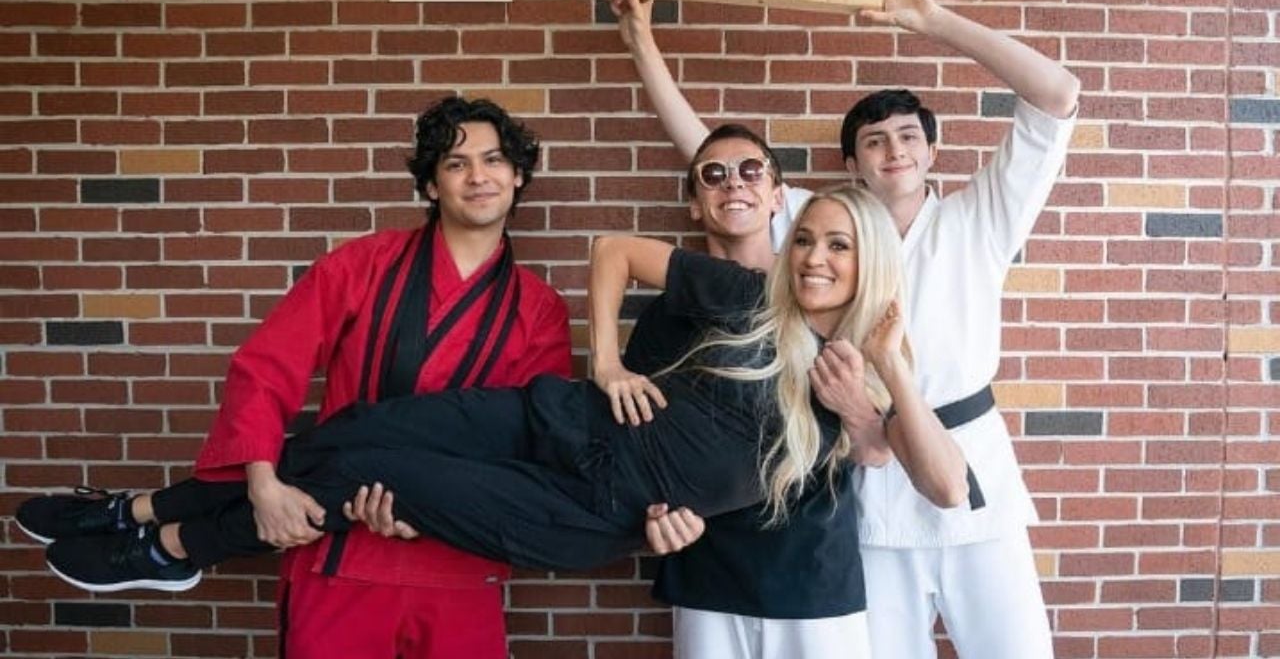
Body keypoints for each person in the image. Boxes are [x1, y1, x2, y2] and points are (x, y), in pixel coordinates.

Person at [23, 188, 958, 659]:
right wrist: (605, 361)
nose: (816, 257)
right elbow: (613, 251)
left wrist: (885, 371)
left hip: (584, 509)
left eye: (840, 245)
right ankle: (138, 511)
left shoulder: (862, 385)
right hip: (560, 416)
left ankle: (174, 545)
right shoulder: (749, 300)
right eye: (808, 239)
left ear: (871, 261)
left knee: (354, 480)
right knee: (349, 431)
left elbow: (940, 481)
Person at [614, 0, 1080, 659]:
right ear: (850, 164)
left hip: (968, 464)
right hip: (867, 483)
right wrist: (642, 45)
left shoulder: (982, 216)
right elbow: (718, 163)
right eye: (874, 140)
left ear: (933, 149)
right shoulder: (825, 223)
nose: (895, 150)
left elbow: (1059, 95)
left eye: (909, 136)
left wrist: (933, 21)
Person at [18, 96, 574, 659]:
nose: (478, 176)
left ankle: (155, 530)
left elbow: (537, 444)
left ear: (517, 175)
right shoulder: (364, 265)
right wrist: (262, 486)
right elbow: (268, 366)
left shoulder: (540, 309)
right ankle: (148, 527)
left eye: (494, 160)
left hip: (462, 566)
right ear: (432, 185)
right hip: (338, 559)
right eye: (456, 163)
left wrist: (431, 509)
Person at [611, 122, 966, 658]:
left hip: (811, 581)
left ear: (777, 198)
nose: (815, 257)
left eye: (751, 171)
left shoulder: (847, 321)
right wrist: (654, 514)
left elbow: (917, 472)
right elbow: (638, 443)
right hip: (706, 576)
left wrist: (872, 387)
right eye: (804, 241)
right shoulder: (677, 313)